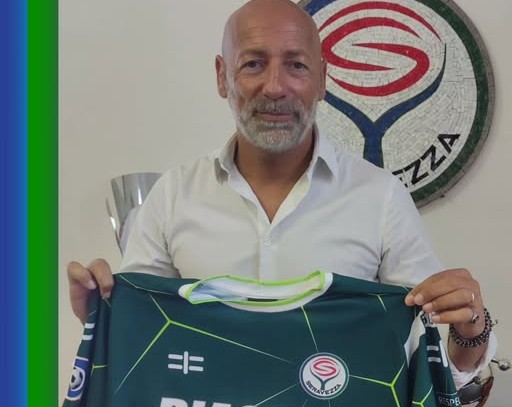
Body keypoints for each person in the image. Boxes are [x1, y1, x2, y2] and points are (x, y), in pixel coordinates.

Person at [67, 0, 496, 390]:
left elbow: (440, 363)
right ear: (222, 76)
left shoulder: (380, 198)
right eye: (253, 64)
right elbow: (140, 343)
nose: (275, 86)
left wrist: (471, 328)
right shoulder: (173, 195)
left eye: (296, 65)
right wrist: (100, 314)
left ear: (322, 79)